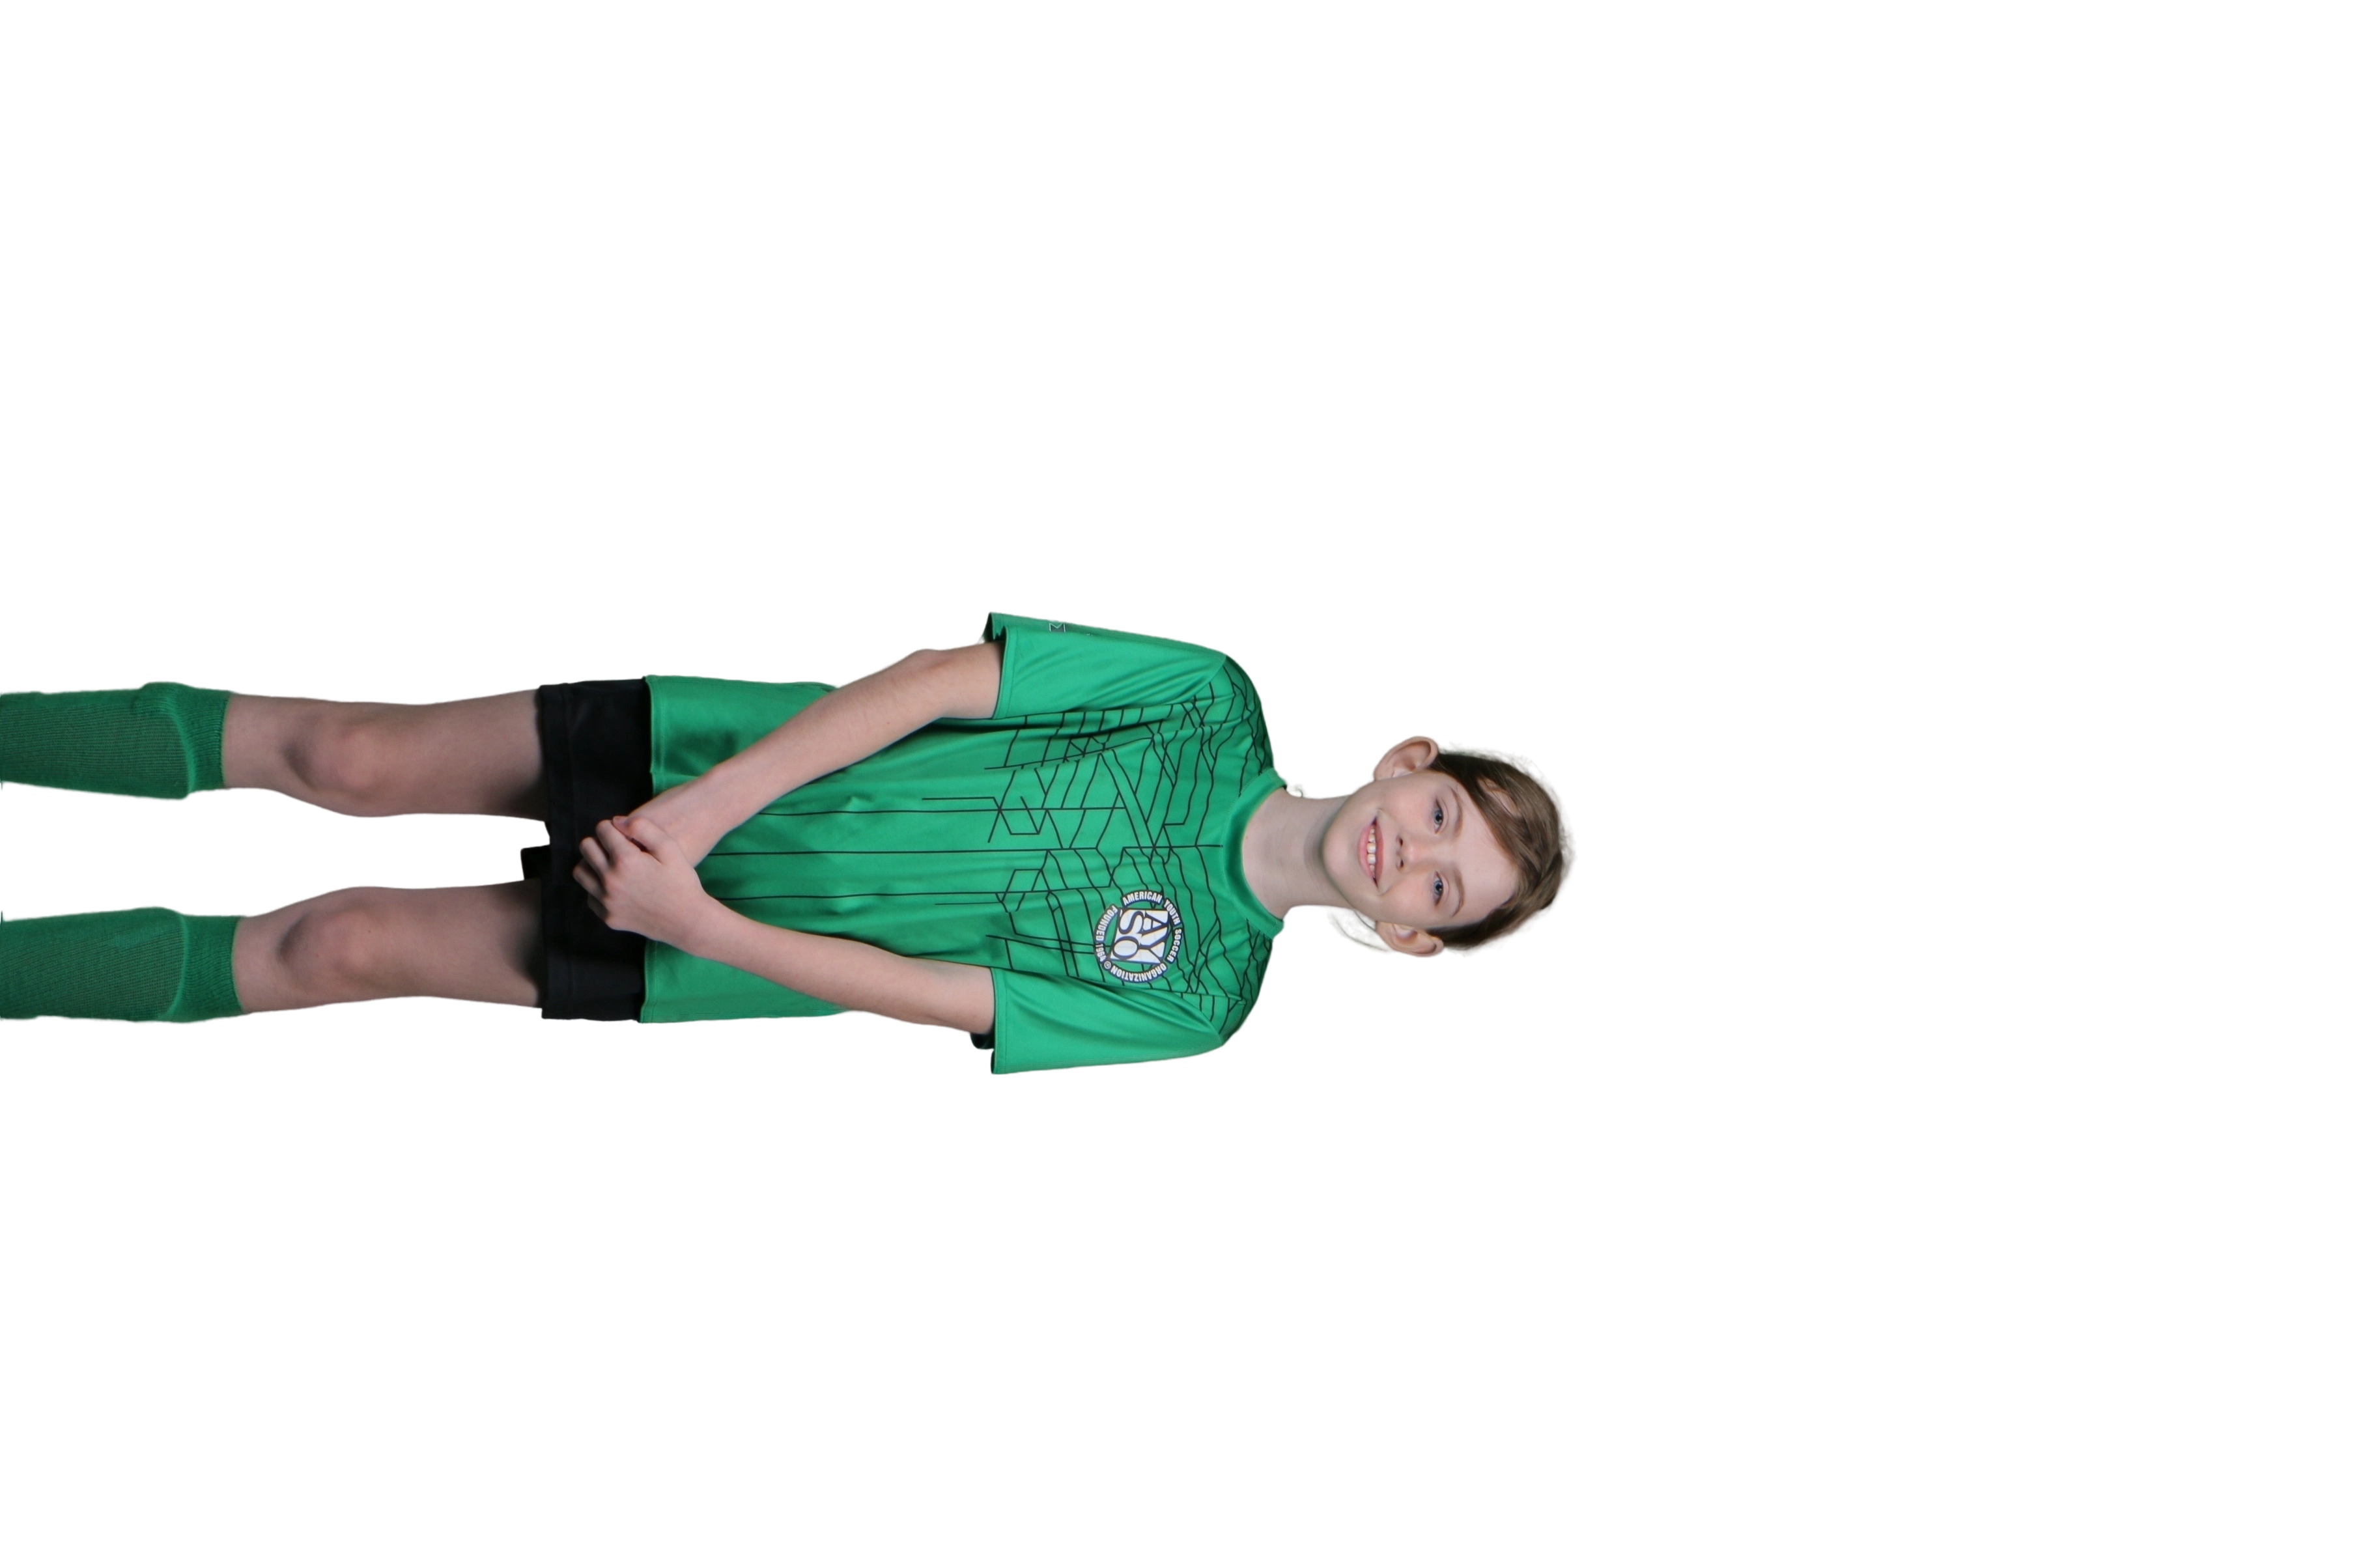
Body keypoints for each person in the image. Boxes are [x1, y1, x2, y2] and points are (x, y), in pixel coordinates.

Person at [3, 613, 1577, 1074]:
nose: (1412, 854)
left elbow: (946, 1000)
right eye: (1441, 815)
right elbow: (941, 681)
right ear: (1409, 761)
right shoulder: (1205, 699)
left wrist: (698, 921)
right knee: (346, 757)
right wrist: (699, 812)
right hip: (699, 763)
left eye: (1445, 892)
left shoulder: (1200, 1000)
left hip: (699, 948)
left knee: (340, 944)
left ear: (1410, 938)